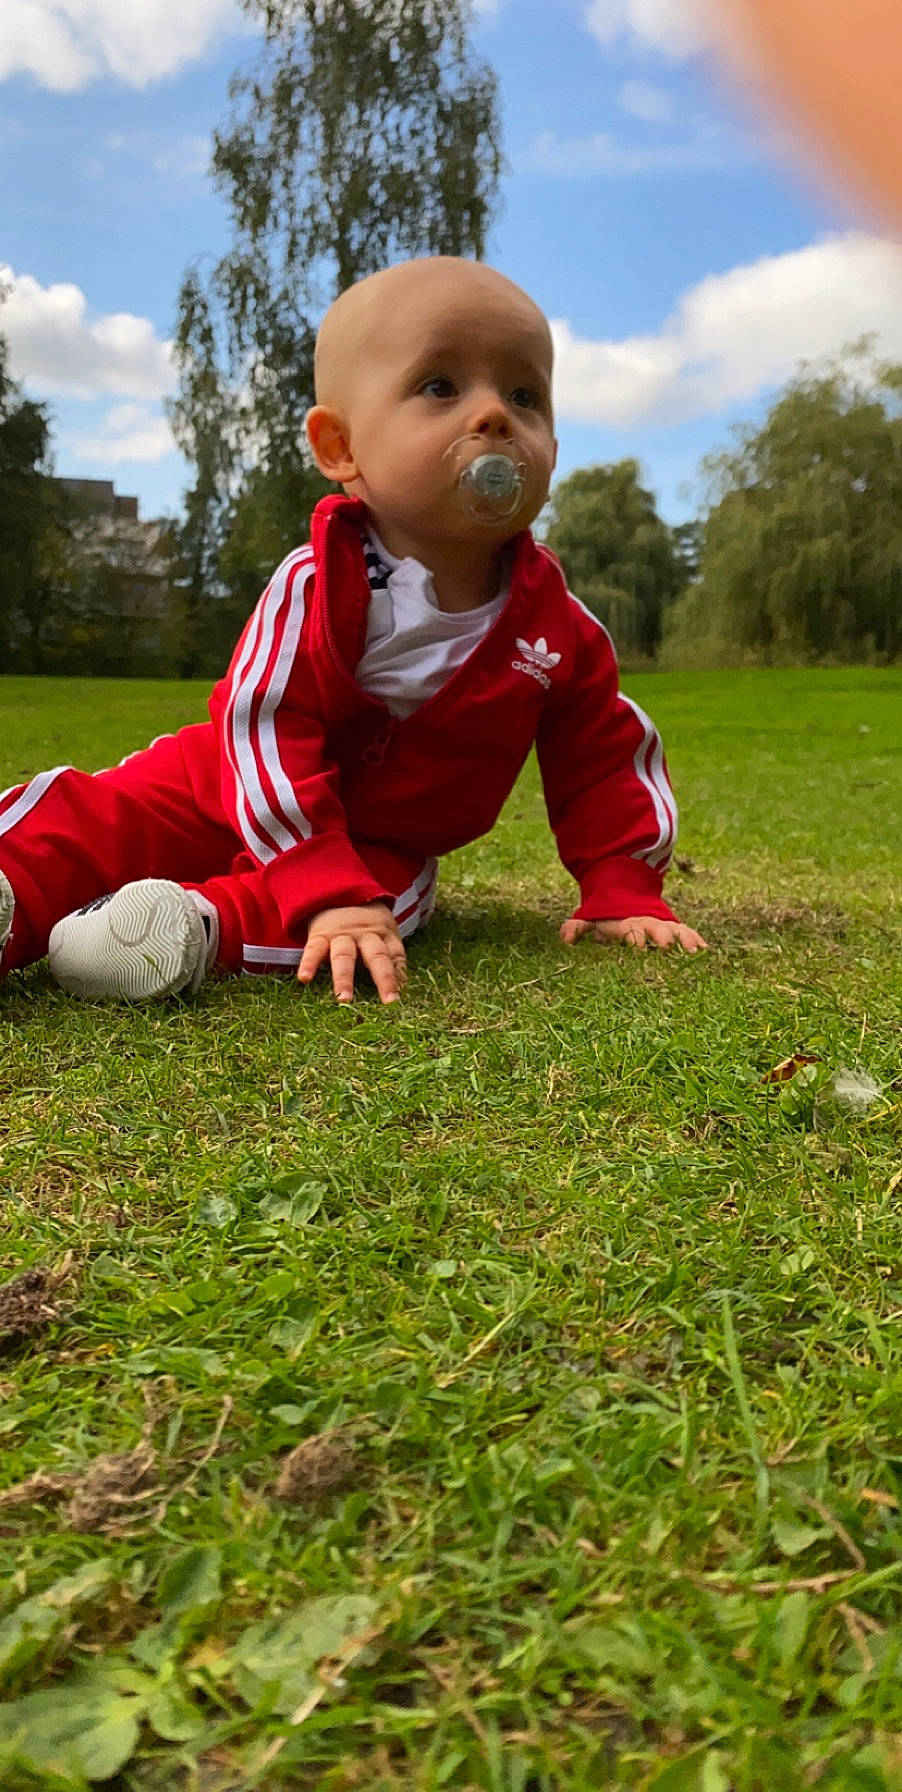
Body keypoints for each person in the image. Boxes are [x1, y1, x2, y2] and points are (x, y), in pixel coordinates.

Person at [0, 257, 706, 1007]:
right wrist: (313, 862)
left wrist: (622, 886)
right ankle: (14, 884)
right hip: (222, 785)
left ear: (552, 454)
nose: (494, 414)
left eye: (526, 396)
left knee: (379, 909)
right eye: (440, 386)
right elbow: (265, 720)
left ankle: (183, 929)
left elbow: (605, 756)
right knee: (102, 814)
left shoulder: (558, 628)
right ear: (341, 447)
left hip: (383, 841)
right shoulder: (316, 584)